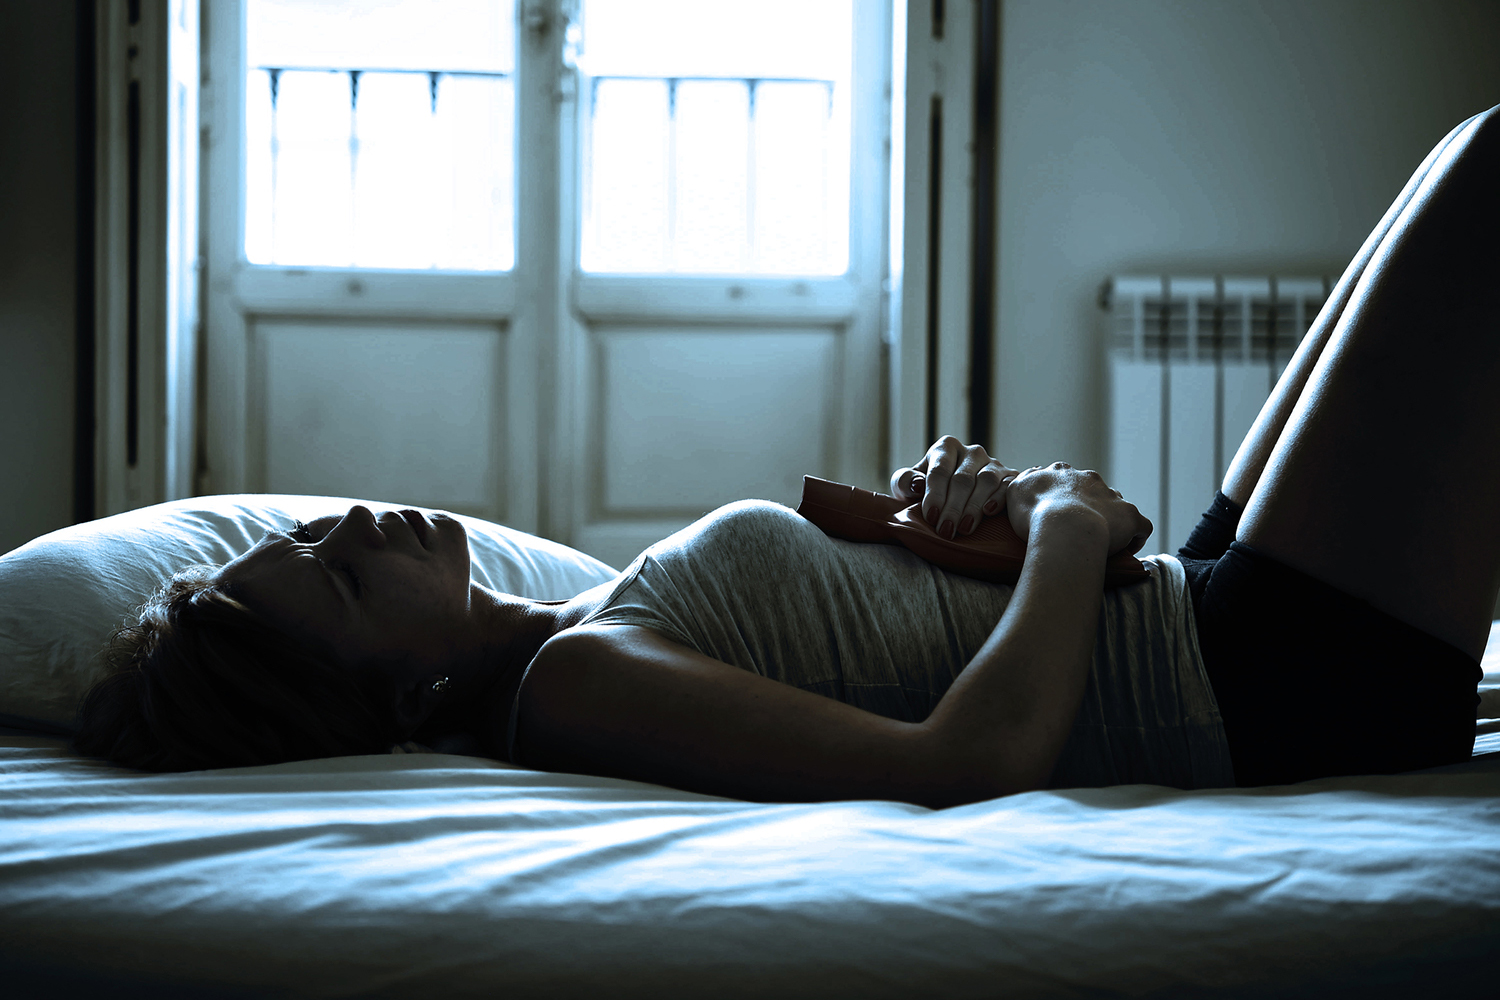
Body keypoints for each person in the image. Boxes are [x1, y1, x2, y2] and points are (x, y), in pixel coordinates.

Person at [76, 106, 1499, 804]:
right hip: (1270, 681)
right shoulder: (565, 686)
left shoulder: (589, 620)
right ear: (382, 688)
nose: (356, 523)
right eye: (335, 577)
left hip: (1206, 615)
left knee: (1458, 171)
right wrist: (1062, 531)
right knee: (1485, 170)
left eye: (319, 532)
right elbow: (957, 761)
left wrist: (973, 518)